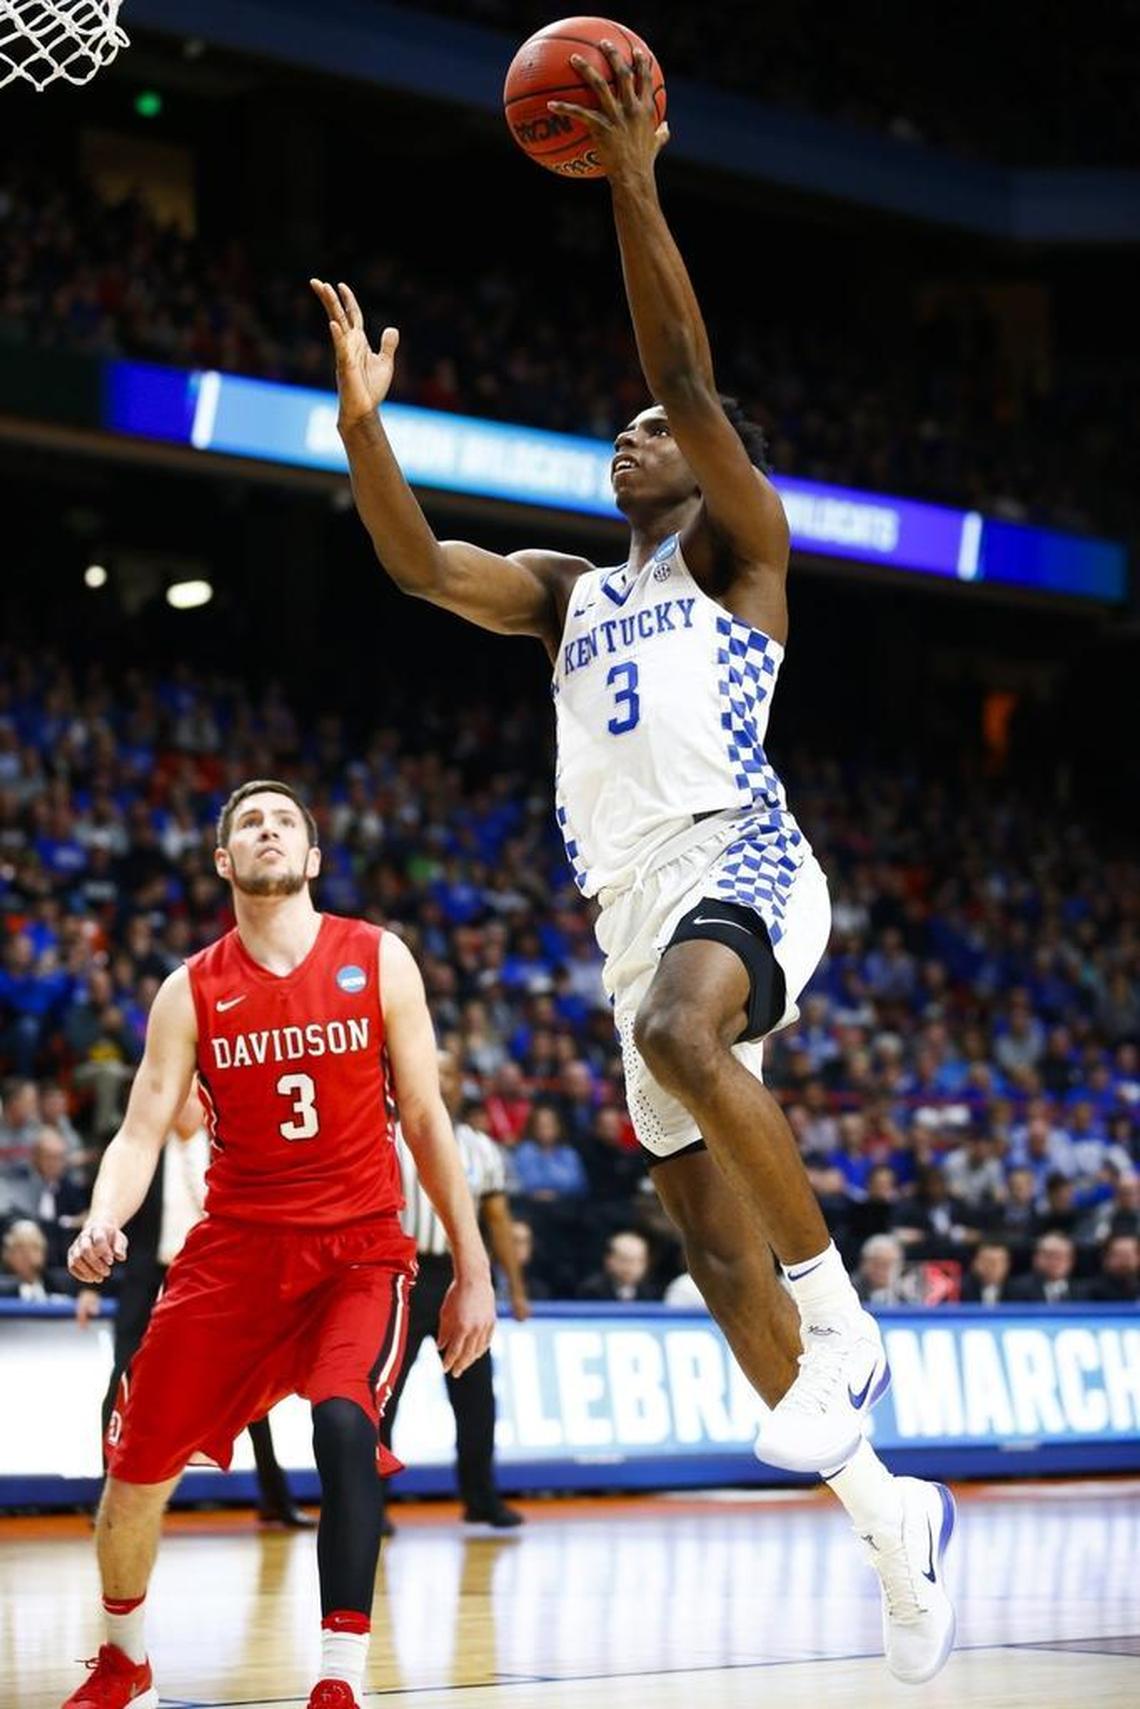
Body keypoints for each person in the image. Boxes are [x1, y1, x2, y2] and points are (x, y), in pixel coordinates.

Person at [312, 42, 953, 1685]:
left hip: (747, 853)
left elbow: (676, 360)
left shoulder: (745, 552)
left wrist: (635, 182)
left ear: (714, 454)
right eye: (623, 427)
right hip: (629, 914)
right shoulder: (565, 590)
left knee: (686, 1034)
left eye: (658, 428)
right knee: (712, 1253)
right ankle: (890, 1514)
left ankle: (847, 1321)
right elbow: (414, 564)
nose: (631, 429)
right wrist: (366, 432)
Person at [61, 780, 496, 1709]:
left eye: (285, 821)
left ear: (313, 857)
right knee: (133, 1468)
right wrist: (103, 1218)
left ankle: (340, 1677)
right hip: (235, 1254)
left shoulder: (378, 957)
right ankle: (124, 1661)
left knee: (344, 1422)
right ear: (224, 861)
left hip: (358, 1254)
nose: (269, 830)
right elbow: (139, 1131)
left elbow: (426, 1118)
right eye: (250, 823)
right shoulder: (189, 989)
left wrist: (474, 1266)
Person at [75, 1090, 311, 1529]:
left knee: (250, 1390)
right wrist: (89, 1285)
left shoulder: (228, 1143)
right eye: (178, 1095)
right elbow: (106, 1216)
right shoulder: (142, 1147)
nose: (184, 1104)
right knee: (122, 1382)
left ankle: (275, 1499)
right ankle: (109, 1499)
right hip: (150, 1281)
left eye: (192, 1096)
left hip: (218, 1280)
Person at [379, 1050, 529, 1535]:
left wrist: (516, 1289)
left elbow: (498, 1220)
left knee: (476, 1397)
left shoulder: (480, 1147)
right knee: (382, 1397)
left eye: (447, 1072)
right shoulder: (383, 1135)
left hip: (457, 1275)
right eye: (431, 1069)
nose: (439, 1079)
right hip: (397, 1276)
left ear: (460, 1081)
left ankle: (481, 1497)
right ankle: (371, 1504)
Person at [578, 1229, 659, 1302]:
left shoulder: (651, 1292)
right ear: (609, 1261)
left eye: (637, 1261)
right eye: (624, 1260)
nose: (630, 1267)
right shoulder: (592, 1290)